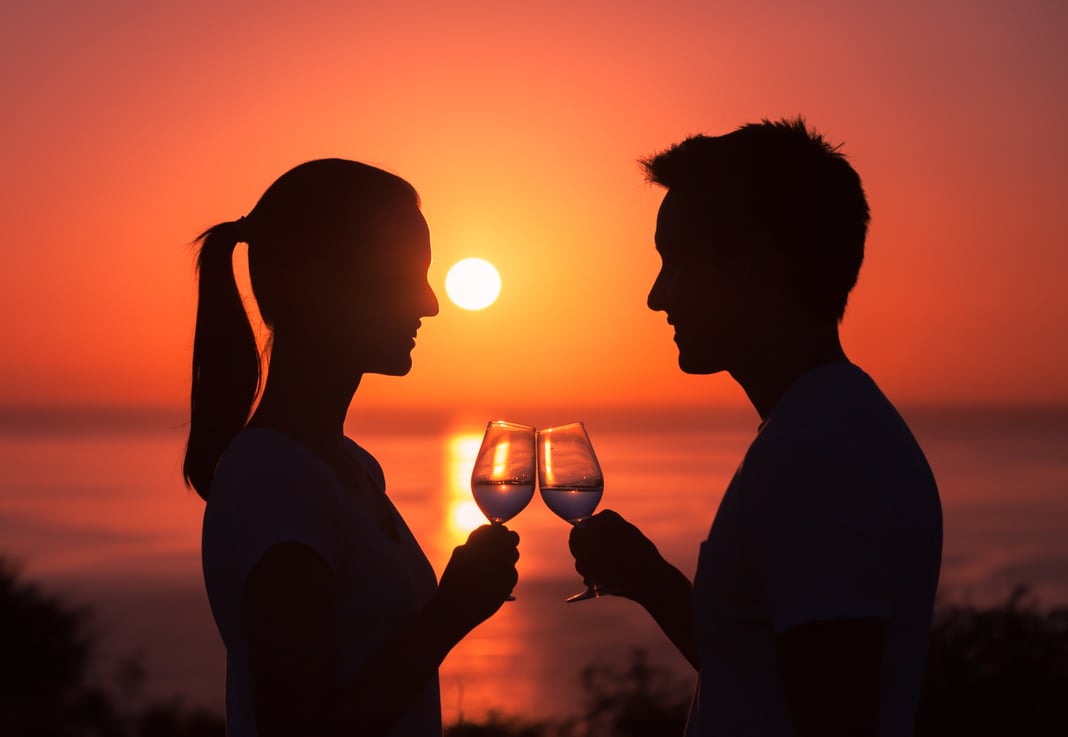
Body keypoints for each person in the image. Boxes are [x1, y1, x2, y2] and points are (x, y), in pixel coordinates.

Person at [569, 118, 942, 737]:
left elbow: (836, 714)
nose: (657, 297)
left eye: (677, 261)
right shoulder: (819, 424)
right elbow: (764, 674)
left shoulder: (821, 453)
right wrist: (651, 581)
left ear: (756, 266)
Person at [183, 159, 520, 737]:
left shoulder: (348, 466)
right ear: (319, 284)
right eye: (405, 275)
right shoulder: (276, 479)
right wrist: (449, 614)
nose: (431, 303)